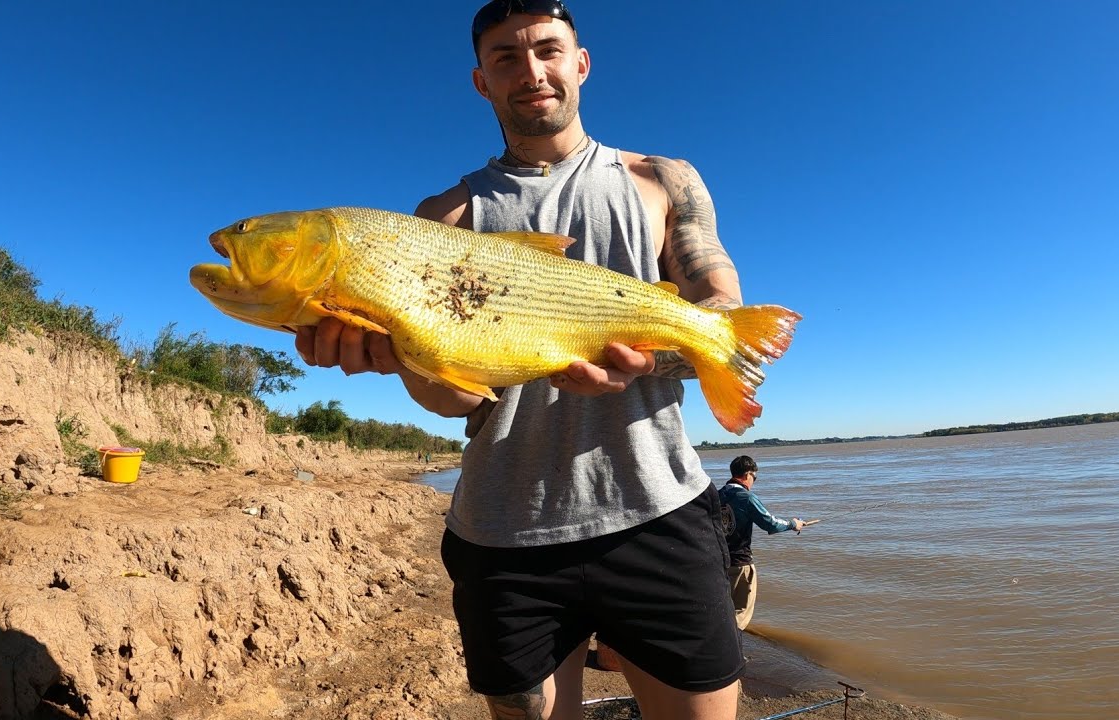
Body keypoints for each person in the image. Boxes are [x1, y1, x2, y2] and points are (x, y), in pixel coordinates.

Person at [295, 2, 751, 717]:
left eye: (547, 49)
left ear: (581, 63)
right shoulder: (442, 217)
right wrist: (394, 359)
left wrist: (653, 360)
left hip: (658, 508)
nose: (531, 70)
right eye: (506, 57)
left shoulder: (662, 179)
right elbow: (456, 401)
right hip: (505, 532)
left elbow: (719, 303)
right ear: (482, 81)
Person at [717, 456, 804, 631]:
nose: (753, 482)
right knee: (741, 613)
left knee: (725, 609)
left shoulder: (717, 496)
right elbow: (770, 524)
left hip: (719, 562)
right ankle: (729, 653)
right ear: (748, 474)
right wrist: (794, 524)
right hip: (741, 563)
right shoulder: (746, 497)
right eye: (754, 478)